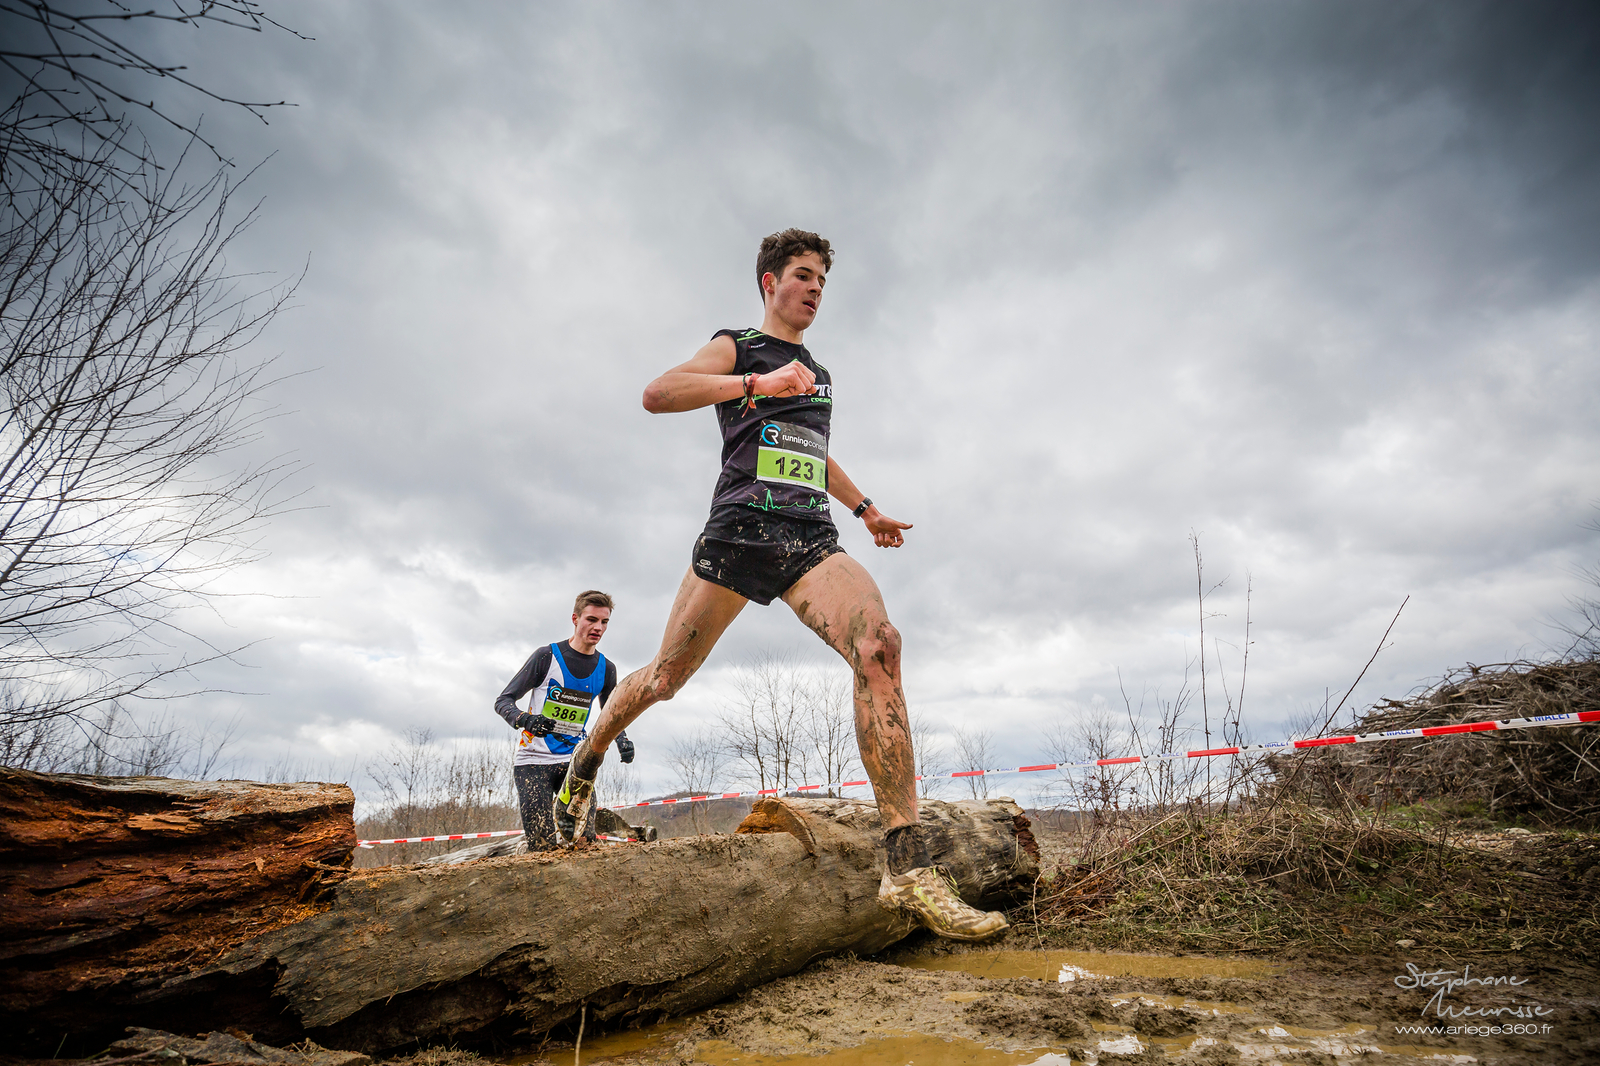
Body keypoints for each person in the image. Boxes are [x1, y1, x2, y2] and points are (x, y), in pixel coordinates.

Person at [553, 229, 1006, 940]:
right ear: (770, 282)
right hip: (738, 535)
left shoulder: (818, 373)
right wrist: (754, 384)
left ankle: (907, 868)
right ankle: (587, 757)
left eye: (822, 279)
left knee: (879, 644)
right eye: (802, 275)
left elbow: (813, 453)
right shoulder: (737, 347)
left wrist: (866, 510)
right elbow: (657, 393)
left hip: (807, 540)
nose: (815, 288)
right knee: (666, 677)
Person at [494, 590, 634, 849]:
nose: (598, 627)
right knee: (542, 846)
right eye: (591, 619)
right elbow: (503, 701)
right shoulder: (546, 657)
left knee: (585, 842)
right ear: (575, 619)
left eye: (604, 622)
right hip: (533, 762)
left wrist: (622, 739)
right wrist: (527, 720)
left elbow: (611, 714)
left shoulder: (606, 669)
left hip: (574, 763)